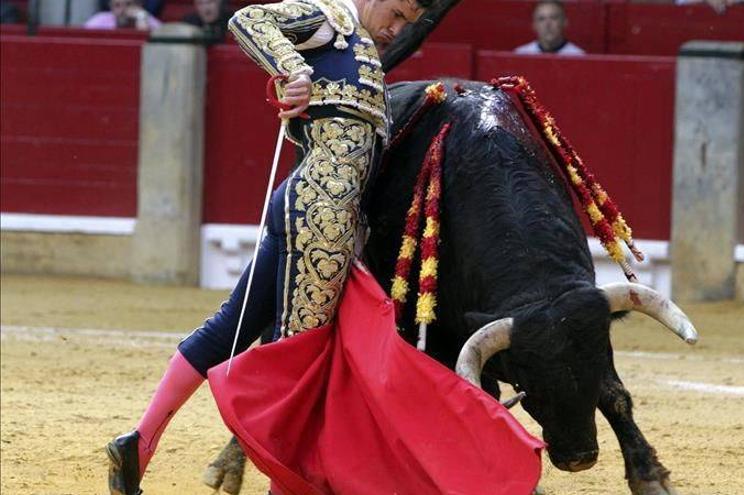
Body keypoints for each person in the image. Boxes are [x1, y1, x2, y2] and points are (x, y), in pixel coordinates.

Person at [102, 0, 541, 493]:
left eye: (407, 23)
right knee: (300, 361)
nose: (397, 29)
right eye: (395, 13)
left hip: (316, 211)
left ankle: (138, 443)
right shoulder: (331, 20)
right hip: (323, 217)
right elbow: (247, 20)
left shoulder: (365, 55)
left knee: (235, 323)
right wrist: (291, 71)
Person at [514, 0, 585, 56]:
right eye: (541, 19)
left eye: (553, 18)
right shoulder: (521, 54)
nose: (547, 24)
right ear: (534, 25)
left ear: (565, 22)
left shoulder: (579, 56)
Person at [84, 0, 161, 30]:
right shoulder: (100, 19)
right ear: (111, 6)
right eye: (117, 5)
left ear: (139, 5)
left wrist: (141, 18)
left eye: (128, 4)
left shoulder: (148, 19)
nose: (122, 10)